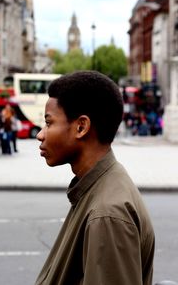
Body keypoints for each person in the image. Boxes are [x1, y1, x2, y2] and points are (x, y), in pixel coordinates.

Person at [36, 71, 155, 285]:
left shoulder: (107, 214)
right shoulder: (97, 187)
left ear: (81, 127)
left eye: (49, 123)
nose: (41, 134)